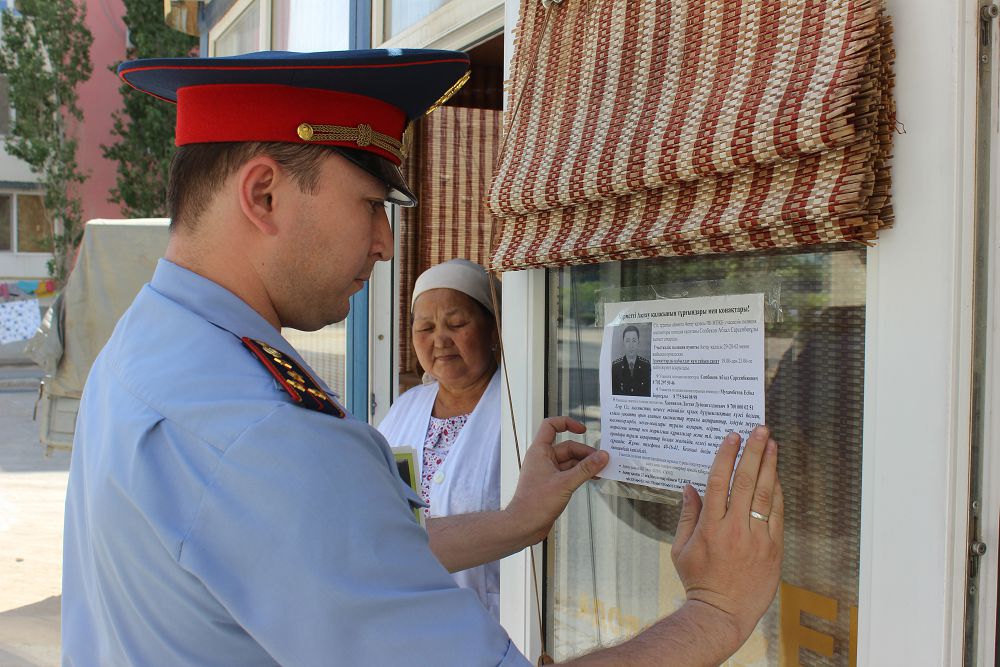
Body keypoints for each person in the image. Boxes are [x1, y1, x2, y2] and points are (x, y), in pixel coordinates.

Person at [61, 49, 784, 666]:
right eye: (371, 204)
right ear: (264, 192)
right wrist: (715, 612)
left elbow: (334, 558)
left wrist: (516, 520)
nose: (382, 243)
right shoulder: (262, 431)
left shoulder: (151, 346)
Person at [378, 258, 503, 619]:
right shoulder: (405, 409)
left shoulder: (519, 410)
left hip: (493, 615)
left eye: (457, 323)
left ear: (493, 329)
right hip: (407, 610)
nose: (440, 340)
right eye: (425, 328)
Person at [611, 324, 652, 396]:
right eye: (627, 341)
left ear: (638, 343)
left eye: (634, 340)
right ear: (623, 343)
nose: (631, 345)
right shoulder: (616, 367)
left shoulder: (646, 366)